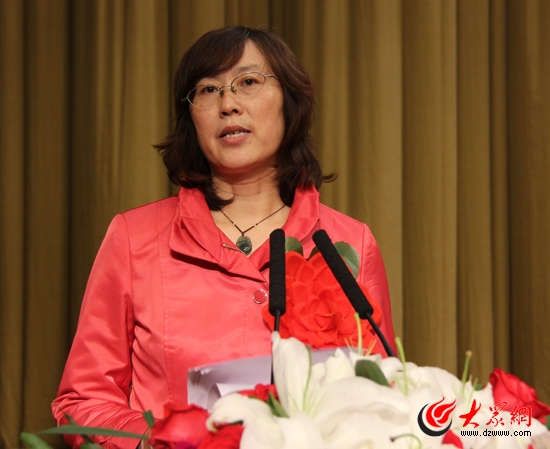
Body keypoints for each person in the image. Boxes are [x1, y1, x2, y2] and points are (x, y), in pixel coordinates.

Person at [52, 26, 395, 448]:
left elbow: (383, 397)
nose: (228, 104)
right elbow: (83, 400)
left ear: (289, 102)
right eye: (208, 90)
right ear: (191, 117)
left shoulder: (349, 243)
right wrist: (161, 441)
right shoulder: (134, 238)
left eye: (248, 82)